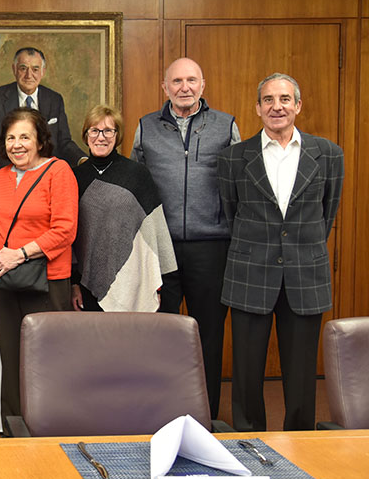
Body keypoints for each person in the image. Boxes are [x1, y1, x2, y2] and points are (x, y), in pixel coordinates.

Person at [218, 73, 343, 431]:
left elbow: (326, 213)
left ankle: (301, 442)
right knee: (246, 371)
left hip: (305, 274)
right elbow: (231, 212)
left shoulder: (329, 155)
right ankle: (248, 441)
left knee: (302, 374)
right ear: (257, 108)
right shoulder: (233, 158)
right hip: (249, 272)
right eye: (269, 100)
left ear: (298, 106)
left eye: (285, 99)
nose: (277, 107)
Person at [130, 57, 240, 420]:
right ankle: (164, 413)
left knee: (208, 333)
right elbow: (134, 186)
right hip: (162, 246)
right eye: (176, 81)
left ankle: (204, 415)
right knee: (162, 332)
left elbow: (240, 184)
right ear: (165, 87)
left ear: (202, 85)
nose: (184, 87)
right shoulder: (146, 127)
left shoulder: (226, 126)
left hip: (212, 246)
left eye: (191, 80)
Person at [0, 107, 77, 422]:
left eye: (24, 137)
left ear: (40, 141)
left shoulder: (58, 172)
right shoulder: (3, 176)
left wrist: (20, 254)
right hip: (4, 283)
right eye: (10, 138)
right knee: (12, 361)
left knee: (47, 362)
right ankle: (12, 434)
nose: (16, 144)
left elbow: (65, 230)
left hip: (47, 281)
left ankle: (51, 431)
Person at [71, 106, 176, 313]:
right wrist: (73, 284)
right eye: (94, 130)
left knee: (129, 342)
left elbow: (155, 230)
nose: (101, 137)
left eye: (109, 130)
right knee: (95, 342)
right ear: (86, 135)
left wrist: (159, 279)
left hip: (133, 280)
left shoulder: (137, 174)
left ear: (117, 135)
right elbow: (70, 237)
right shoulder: (74, 177)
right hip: (86, 281)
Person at [0, 47, 85, 198]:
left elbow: (64, 142)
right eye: (23, 68)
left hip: (45, 185)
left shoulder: (54, 100)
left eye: (35, 69)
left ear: (43, 71)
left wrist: (83, 160)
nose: (29, 75)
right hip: (2, 182)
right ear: (14, 69)